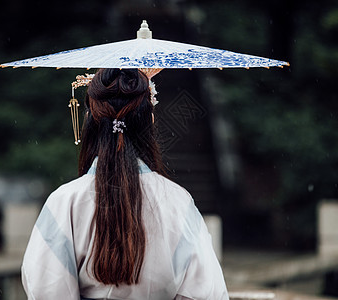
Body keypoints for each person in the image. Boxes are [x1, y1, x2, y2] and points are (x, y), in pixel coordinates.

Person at [21, 68, 229, 300]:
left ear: (90, 120)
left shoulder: (65, 201)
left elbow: (47, 289)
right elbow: (205, 291)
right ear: (149, 121)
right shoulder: (178, 201)